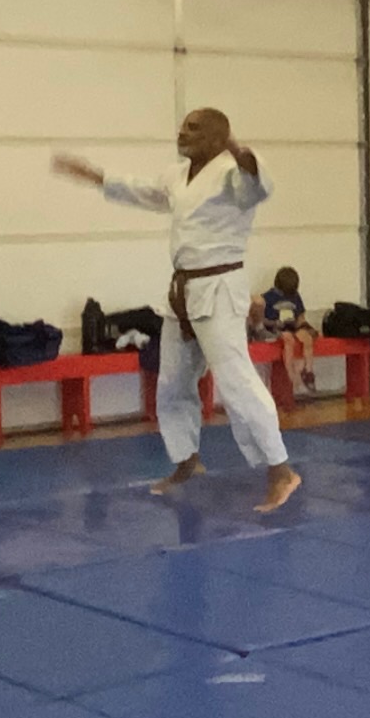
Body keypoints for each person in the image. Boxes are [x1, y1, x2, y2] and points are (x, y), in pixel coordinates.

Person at [55, 109, 303, 511]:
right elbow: (143, 191)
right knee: (171, 381)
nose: (182, 132)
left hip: (220, 289)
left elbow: (259, 183)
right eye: (183, 125)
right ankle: (187, 460)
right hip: (182, 291)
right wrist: (96, 175)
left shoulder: (232, 175)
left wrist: (239, 150)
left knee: (237, 382)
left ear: (218, 137)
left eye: (193, 128)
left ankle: (281, 470)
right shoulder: (177, 176)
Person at [258, 265, 316, 372]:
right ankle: (291, 372)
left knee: (307, 339)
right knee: (288, 339)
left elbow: (300, 317)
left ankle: (308, 370)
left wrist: (304, 327)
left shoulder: (295, 296)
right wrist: (274, 324)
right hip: (275, 328)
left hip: (292, 326)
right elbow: (261, 321)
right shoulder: (268, 298)